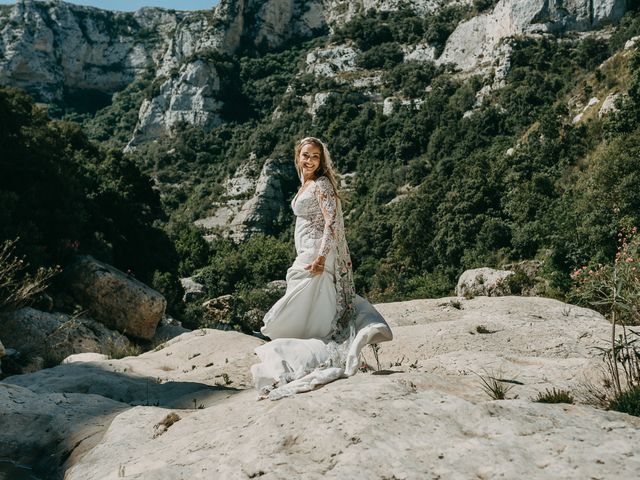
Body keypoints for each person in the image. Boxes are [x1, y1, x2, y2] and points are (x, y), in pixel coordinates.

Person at [251, 137, 393, 400]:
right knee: (306, 303)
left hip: (318, 253)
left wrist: (320, 257)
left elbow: (331, 224)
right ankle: (299, 349)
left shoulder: (322, 184)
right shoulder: (306, 183)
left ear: (321, 160)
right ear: (298, 157)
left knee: (304, 301)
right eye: (306, 155)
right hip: (307, 251)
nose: (310, 160)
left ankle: (311, 353)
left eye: (315, 156)